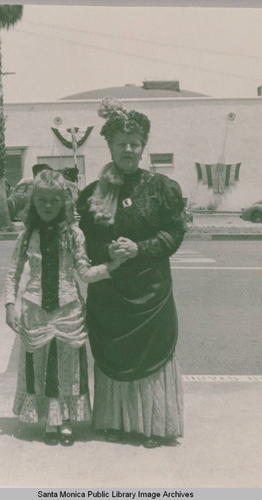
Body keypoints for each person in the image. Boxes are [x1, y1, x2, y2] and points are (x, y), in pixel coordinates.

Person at [77, 97, 186, 448]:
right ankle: (114, 423)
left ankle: (153, 426)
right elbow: (85, 242)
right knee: (113, 357)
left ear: (143, 147)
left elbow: (172, 233)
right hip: (110, 293)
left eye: (134, 143)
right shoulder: (92, 194)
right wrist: (107, 253)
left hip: (150, 293)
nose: (128, 148)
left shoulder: (161, 188)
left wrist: (140, 249)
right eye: (121, 143)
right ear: (109, 146)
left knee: (151, 357)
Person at [5, 169, 126, 446]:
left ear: (64, 202)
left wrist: (111, 266)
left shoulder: (74, 234)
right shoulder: (26, 235)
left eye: (54, 200)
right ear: (34, 202)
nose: (48, 206)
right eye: (42, 200)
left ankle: (67, 419)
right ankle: (50, 419)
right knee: (41, 366)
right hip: (35, 310)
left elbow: (83, 272)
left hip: (68, 310)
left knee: (68, 367)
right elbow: (13, 271)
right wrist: (10, 305)